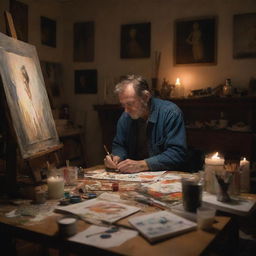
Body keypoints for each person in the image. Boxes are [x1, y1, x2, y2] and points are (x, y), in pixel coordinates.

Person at [104, 75, 187, 173]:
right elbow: (119, 145)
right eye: (123, 105)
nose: (126, 111)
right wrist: (117, 157)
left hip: (166, 176)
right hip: (134, 178)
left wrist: (143, 164)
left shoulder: (170, 113)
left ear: (146, 97)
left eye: (130, 104)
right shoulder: (126, 117)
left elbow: (177, 153)